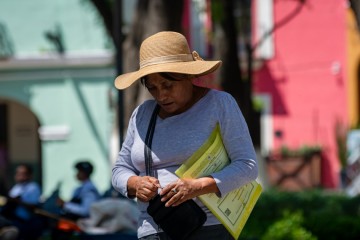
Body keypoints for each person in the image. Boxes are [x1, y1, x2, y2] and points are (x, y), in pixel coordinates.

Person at [111, 31, 258, 240]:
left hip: (207, 228)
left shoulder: (219, 104)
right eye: (152, 88)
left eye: (168, 85)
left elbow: (247, 166)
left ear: (188, 75)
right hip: (152, 230)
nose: (161, 95)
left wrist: (196, 186)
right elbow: (119, 170)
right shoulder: (142, 114)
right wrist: (135, 184)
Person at [1, 164, 43, 240]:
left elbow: (33, 206)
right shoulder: (16, 187)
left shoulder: (33, 187)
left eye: (23, 174)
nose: (19, 176)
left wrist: (17, 201)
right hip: (11, 218)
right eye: (17, 173)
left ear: (29, 175)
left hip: (24, 222)